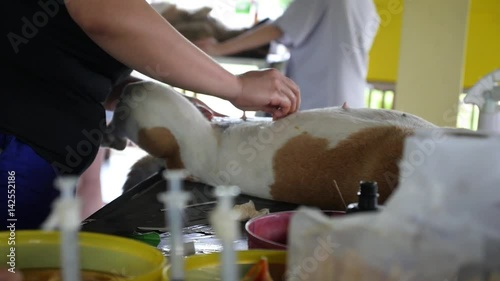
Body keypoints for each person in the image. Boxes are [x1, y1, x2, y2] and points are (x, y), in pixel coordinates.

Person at [0, 0, 299, 230]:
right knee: (11, 263)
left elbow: (57, 62)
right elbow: (102, 14)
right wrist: (234, 85)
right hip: (14, 155)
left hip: (34, 156)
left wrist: (162, 100)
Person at [197, 0, 380, 110]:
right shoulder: (368, 6)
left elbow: (279, 29)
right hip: (353, 100)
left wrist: (220, 49)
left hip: (319, 100)